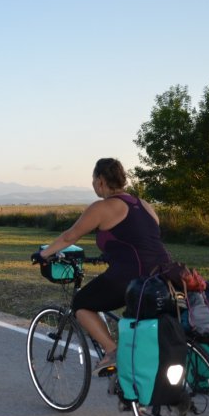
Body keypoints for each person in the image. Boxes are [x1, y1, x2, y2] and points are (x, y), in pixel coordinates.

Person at [31, 158, 171, 375]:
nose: (94, 184)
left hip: (132, 277)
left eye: (94, 179)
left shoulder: (103, 207)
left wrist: (43, 254)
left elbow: (70, 236)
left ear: (101, 181)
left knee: (81, 303)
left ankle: (112, 351)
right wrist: (110, 254)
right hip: (164, 274)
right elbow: (141, 239)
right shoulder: (144, 205)